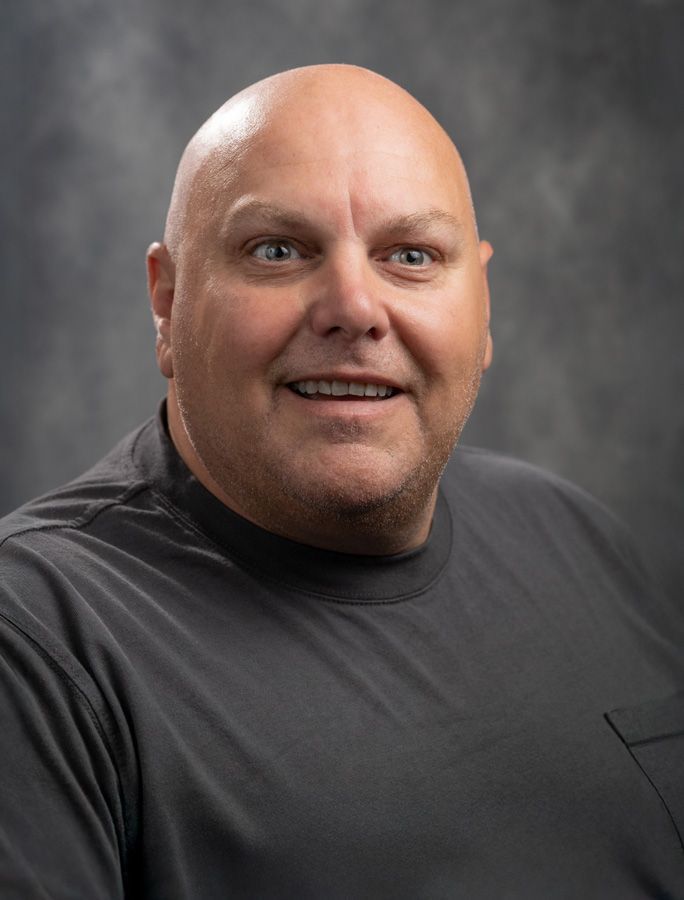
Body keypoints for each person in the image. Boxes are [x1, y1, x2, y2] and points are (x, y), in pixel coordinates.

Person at [1, 64, 683, 899]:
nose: (354, 307)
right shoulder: (38, 640)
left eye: (411, 255)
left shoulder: (575, 538)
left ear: (483, 304)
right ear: (167, 302)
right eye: (278, 251)